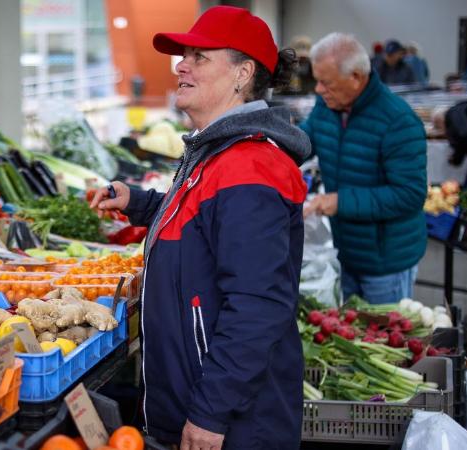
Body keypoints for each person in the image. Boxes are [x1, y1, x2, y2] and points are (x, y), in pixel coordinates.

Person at [91, 6, 311, 449]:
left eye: (199, 57)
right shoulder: (220, 154)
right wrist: (141, 203)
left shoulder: (250, 168)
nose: (181, 66)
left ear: (242, 74)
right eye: (183, 55)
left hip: (237, 426)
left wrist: (212, 412)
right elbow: (204, 225)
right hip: (200, 402)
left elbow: (256, 306)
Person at [301, 33, 427, 304]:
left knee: (382, 338)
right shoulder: (327, 106)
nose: (318, 90)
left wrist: (340, 201)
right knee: (350, 337)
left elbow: (410, 194)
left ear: (356, 77)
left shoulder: (398, 121)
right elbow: (304, 141)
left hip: (386, 263)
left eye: (326, 82)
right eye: (317, 80)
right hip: (345, 251)